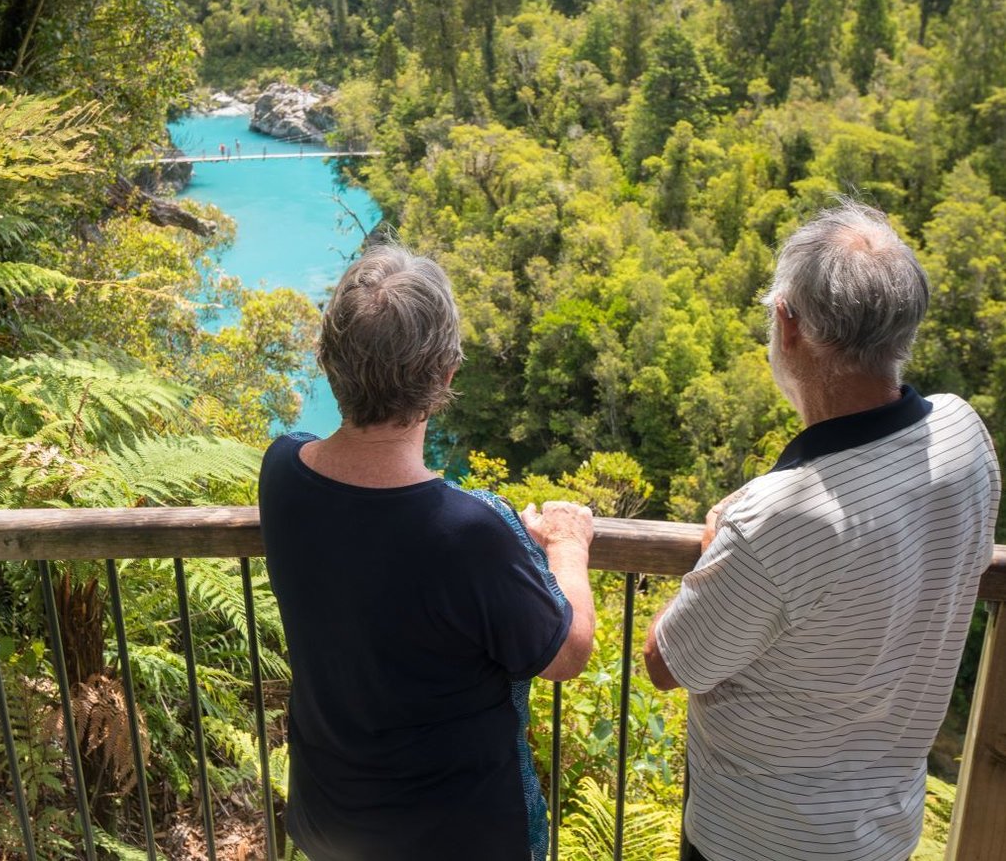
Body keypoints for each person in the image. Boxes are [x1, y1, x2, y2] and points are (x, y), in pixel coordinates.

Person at [643, 200, 1001, 861]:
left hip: (755, 840)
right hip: (882, 831)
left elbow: (668, 663)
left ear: (788, 326)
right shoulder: (964, 437)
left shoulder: (777, 518)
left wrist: (719, 547)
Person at [259, 244, 597, 861]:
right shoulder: (470, 532)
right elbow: (566, 653)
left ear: (329, 358)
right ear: (445, 374)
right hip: (459, 835)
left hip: (332, 821)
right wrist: (567, 546)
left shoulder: (282, 472)